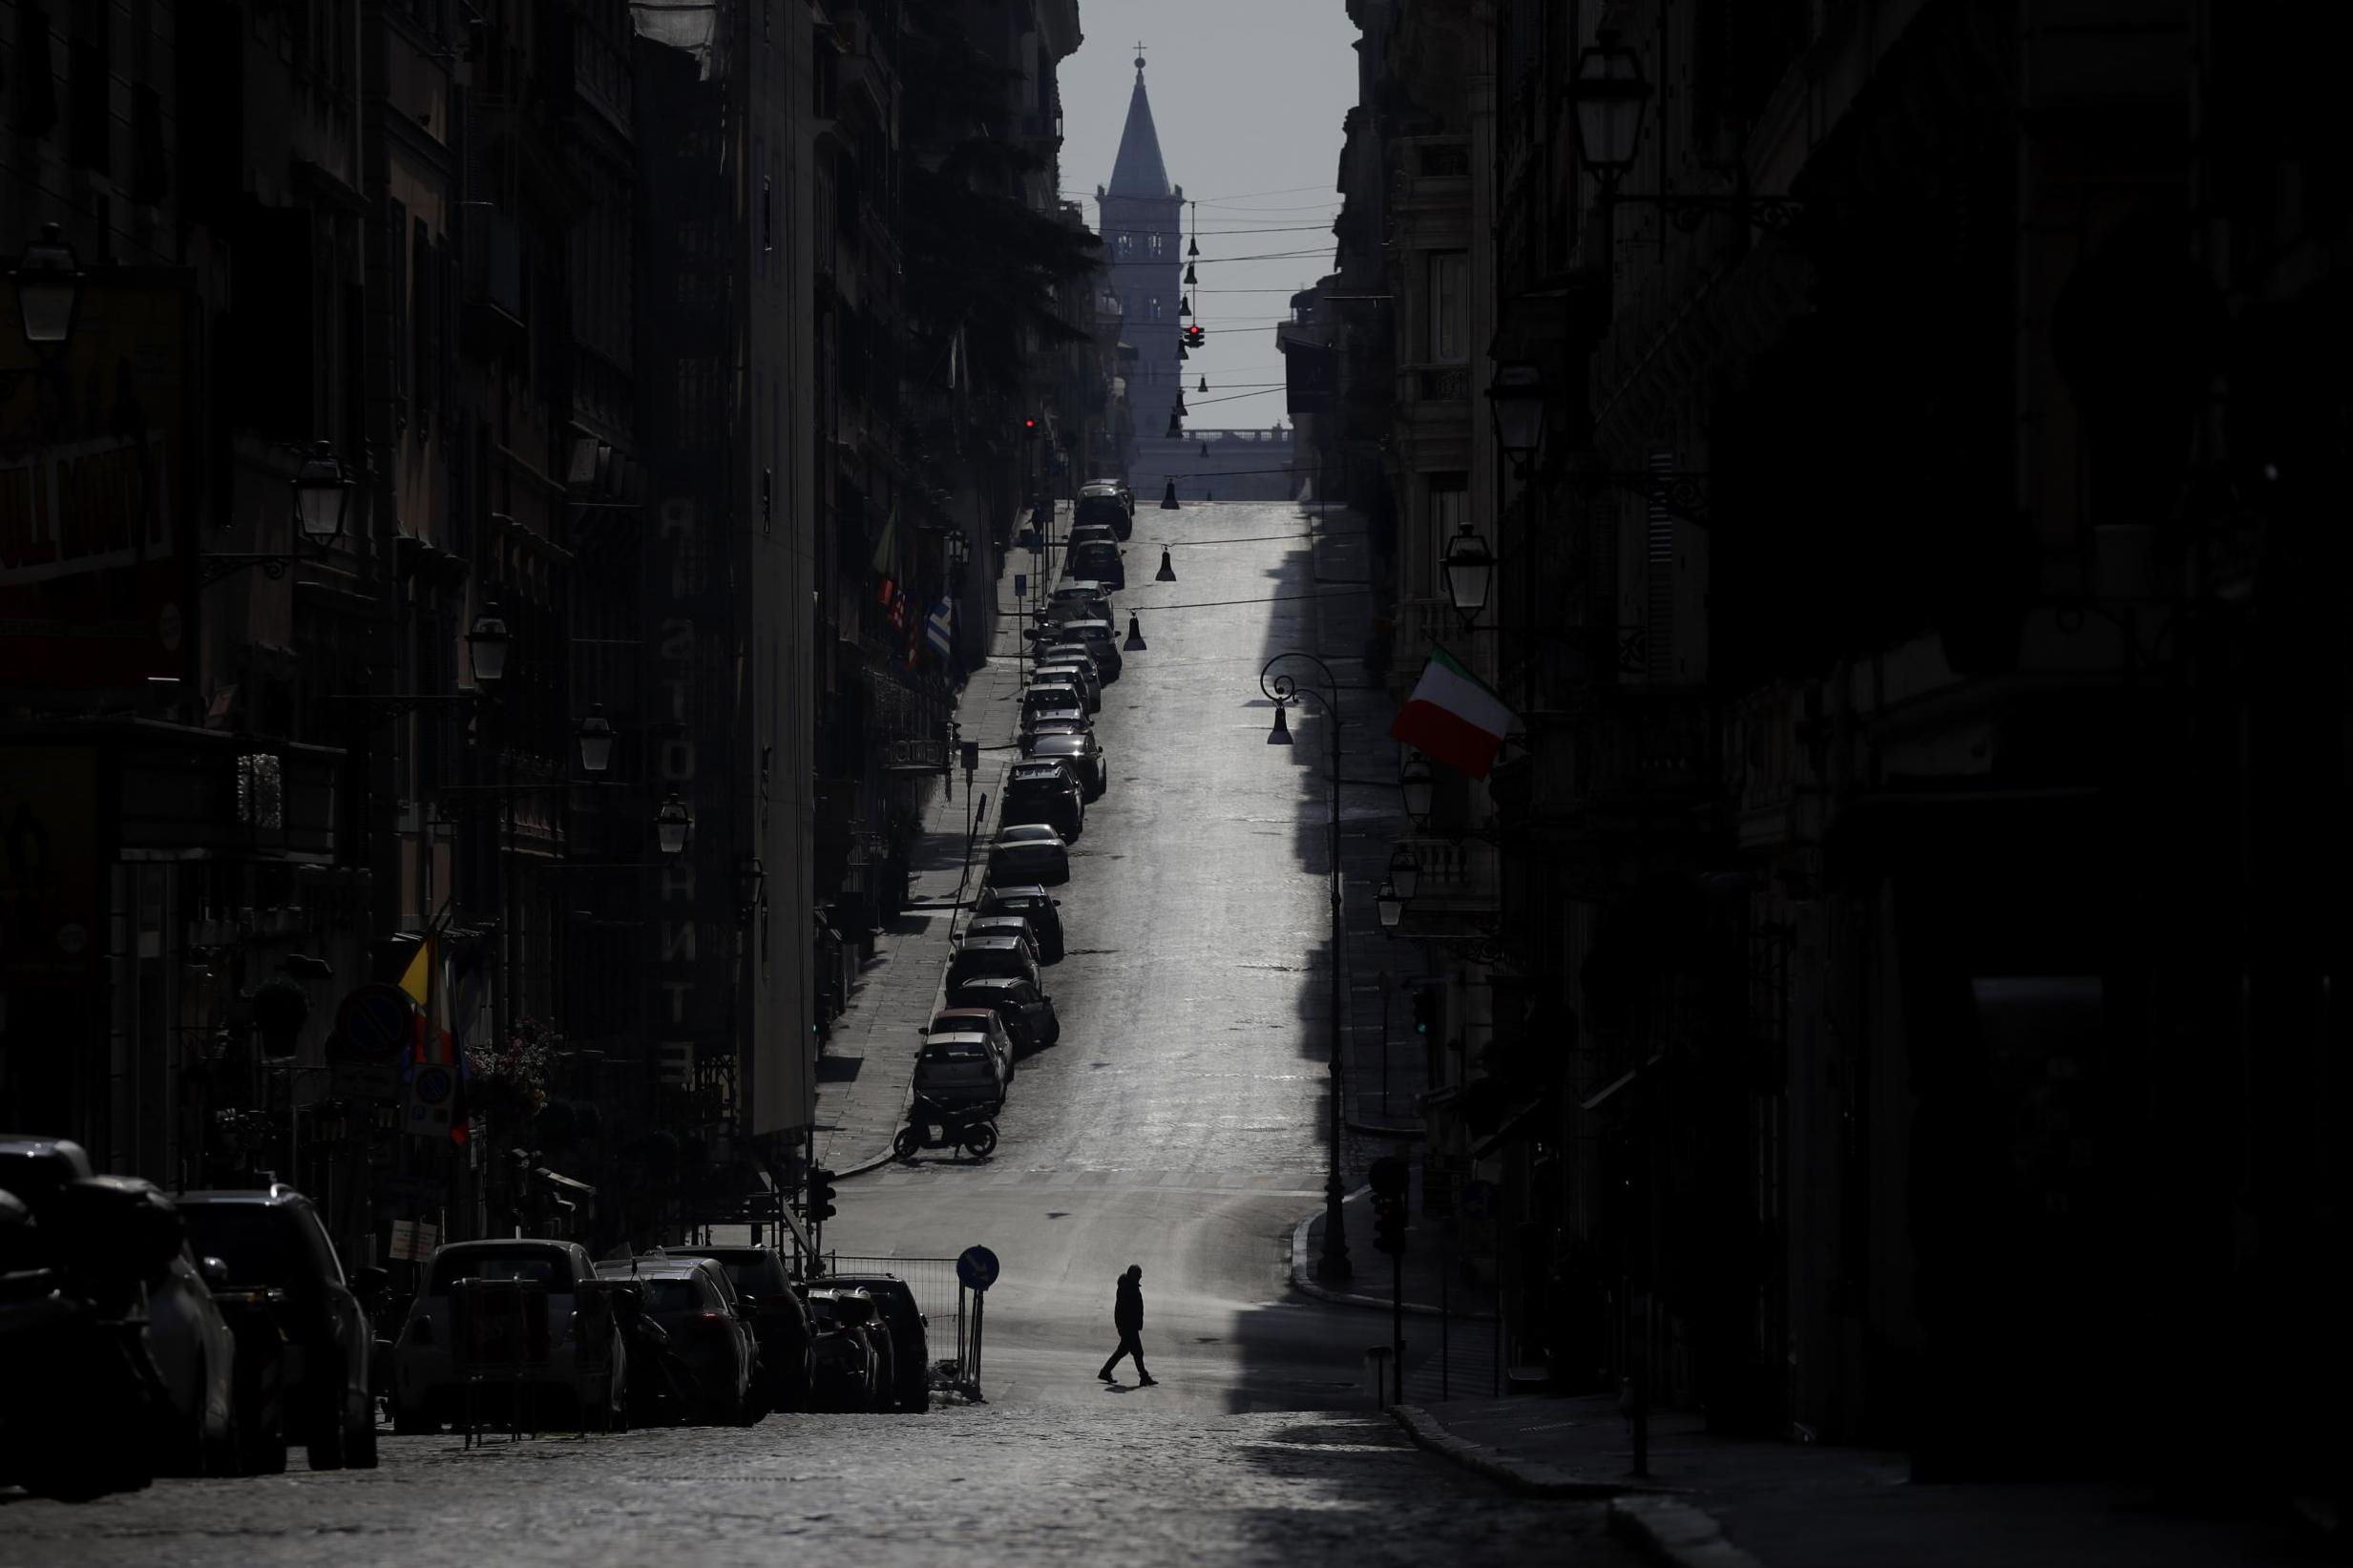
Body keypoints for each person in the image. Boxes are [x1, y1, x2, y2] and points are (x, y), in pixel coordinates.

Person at [1096, 1264, 1155, 1386]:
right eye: (1138, 1274)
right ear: (1132, 1275)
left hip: (1129, 1326)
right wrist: (1123, 1326)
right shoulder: (1127, 1288)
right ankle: (1144, 1376)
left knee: (1123, 1351)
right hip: (1129, 1327)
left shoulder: (1130, 1286)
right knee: (1137, 1352)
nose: (1140, 1277)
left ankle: (1105, 1372)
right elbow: (1122, 1309)